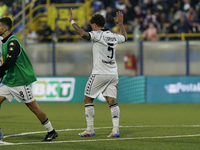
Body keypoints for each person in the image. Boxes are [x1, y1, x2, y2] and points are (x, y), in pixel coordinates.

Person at [69, 8, 128, 137]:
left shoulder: (97, 35)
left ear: (95, 25)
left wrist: (72, 22)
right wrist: (120, 24)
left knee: (88, 99)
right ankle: (115, 130)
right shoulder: (113, 36)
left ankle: (90, 130)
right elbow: (125, 37)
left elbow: (83, 34)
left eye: (92, 26)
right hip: (113, 74)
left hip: (100, 73)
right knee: (112, 101)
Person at [0, 17, 58, 142]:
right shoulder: (3, 41)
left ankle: (51, 131)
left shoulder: (13, 42)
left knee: (33, 107)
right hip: (9, 80)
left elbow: (9, 62)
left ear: (5, 28)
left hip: (20, 81)